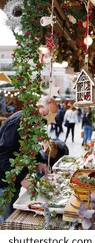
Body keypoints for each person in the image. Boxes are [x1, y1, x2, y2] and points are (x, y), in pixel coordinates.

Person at [0, 95, 57, 225]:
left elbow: (30, 146)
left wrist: (40, 161)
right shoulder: (19, 122)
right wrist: (21, 177)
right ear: (40, 107)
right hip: (2, 180)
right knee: (5, 220)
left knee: (11, 215)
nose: (47, 120)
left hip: (12, 179)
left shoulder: (32, 123)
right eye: (47, 115)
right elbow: (3, 154)